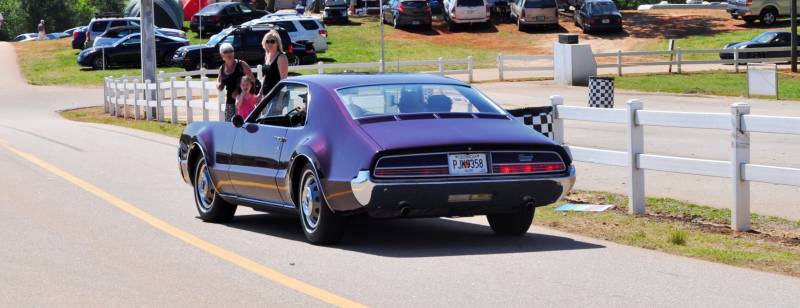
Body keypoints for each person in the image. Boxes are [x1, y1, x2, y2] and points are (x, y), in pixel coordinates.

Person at [216, 43, 255, 121]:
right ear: (222, 55)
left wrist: (239, 90)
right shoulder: (222, 68)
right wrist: (219, 85)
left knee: (245, 123)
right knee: (229, 124)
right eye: (226, 51)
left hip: (244, 100)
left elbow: (253, 80)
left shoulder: (241, 64)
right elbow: (218, 81)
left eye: (231, 51)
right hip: (230, 101)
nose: (229, 53)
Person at [258, 30, 289, 98]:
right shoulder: (267, 56)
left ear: (277, 43)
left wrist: (280, 99)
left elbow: (283, 80)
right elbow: (265, 77)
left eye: (272, 41)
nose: (269, 44)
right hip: (266, 95)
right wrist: (260, 94)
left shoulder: (281, 57)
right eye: (267, 41)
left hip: (277, 95)